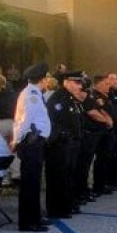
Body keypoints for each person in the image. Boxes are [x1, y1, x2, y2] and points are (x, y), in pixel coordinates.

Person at [12, 61, 52, 232]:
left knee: (34, 182)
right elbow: (25, 120)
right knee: (30, 182)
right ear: (42, 79)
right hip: (32, 142)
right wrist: (17, 140)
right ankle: (28, 221)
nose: (47, 82)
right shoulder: (32, 95)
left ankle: (34, 217)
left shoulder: (33, 92)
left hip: (35, 142)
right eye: (46, 78)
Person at [44, 71, 85, 219]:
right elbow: (53, 121)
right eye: (76, 82)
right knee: (58, 176)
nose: (79, 86)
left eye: (80, 83)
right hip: (60, 144)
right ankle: (57, 208)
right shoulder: (58, 98)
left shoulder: (71, 98)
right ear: (66, 82)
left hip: (72, 142)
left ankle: (67, 204)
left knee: (69, 175)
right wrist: (62, 136)